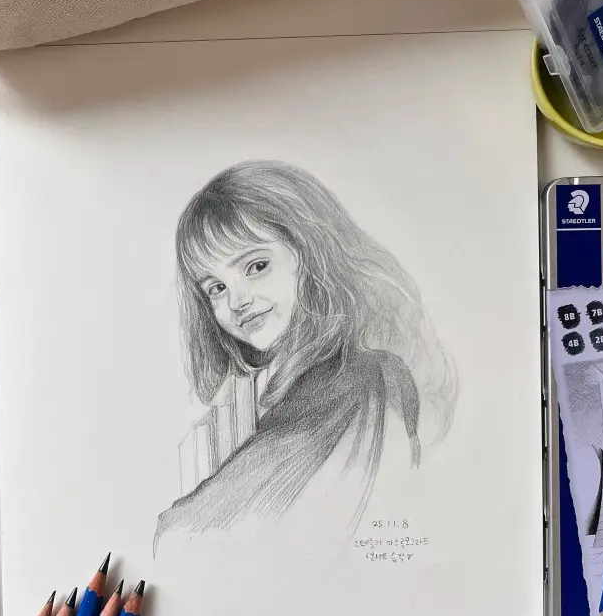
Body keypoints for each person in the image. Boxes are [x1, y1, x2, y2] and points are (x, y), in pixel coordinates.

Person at [155, 159, 455, 537]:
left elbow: (193, 533)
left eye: (256, 266)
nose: (236, 301)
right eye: (216, 288)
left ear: (309, 253)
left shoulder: (352, 377)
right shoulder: (283, 387)